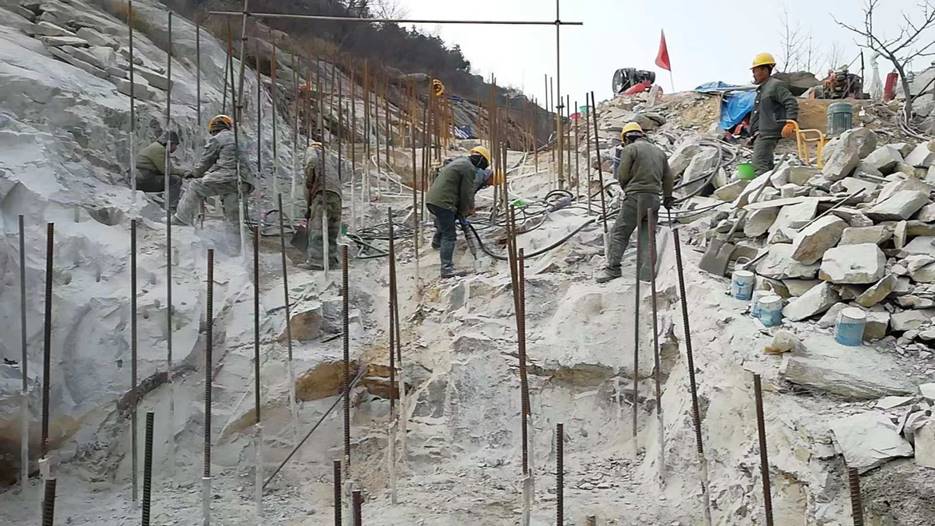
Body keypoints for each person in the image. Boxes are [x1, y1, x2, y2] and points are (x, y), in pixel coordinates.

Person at [595, 122, 674, 284]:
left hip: (635, 197)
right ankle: (646, 274)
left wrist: (627, 189)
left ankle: (612, 269)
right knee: (647, 236)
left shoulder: (630, 149)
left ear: (626, 138)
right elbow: (668, 178)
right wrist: (667, 198)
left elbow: (622, 174)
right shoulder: (659, 152)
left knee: (620, 232)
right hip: (654, 199)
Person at [172, 114, 255, 226]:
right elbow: (231, 162)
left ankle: (181, 219)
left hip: (228, 178)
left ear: (214, 129)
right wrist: (212, 173)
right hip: (245, 182)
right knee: (234, 219)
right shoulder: (240, 139)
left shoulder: (218, 139)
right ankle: (235, 242)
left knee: (195, 186)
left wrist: (194, 173)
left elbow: (206, 161)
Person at [425, 145, 491, 278]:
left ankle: (437, 242)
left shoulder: (459, 162)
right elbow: (466, 192)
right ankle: (446, 269)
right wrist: (467, 210)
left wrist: (460, 211)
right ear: (480, 160)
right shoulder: (468, 168)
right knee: (450, 235)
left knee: (446, 223)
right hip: (444, 202)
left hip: (433, 199)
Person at [749, 52, 799, 175]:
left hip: (769, 132)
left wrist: (790, 122)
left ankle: (760, 191)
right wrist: (753, 134)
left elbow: (791, 102)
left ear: (765, 69)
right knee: (764, 163)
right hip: (762, 133)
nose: (753, 74)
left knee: (758, 166)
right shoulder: (763, 88)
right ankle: (767, 188)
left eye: (755, 70)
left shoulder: (775, 85)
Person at [301, 141, 342, 270]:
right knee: (332, 228)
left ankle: (316, 261)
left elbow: (311, 162)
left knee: (318, 228)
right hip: (337, 194)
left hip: (322, 192)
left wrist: (309, 181)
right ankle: (331, 260)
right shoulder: (328, 160)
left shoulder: (312, 151)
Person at [135, 131, 187, 209]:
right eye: (175, 145)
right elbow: (167, 170)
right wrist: (185, 172)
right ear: (170, 143)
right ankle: (170, 207)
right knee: (175, 180)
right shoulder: (160, 150)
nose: (175, 148)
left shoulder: (156, 147)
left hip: (139, 178)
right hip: (142, 180)